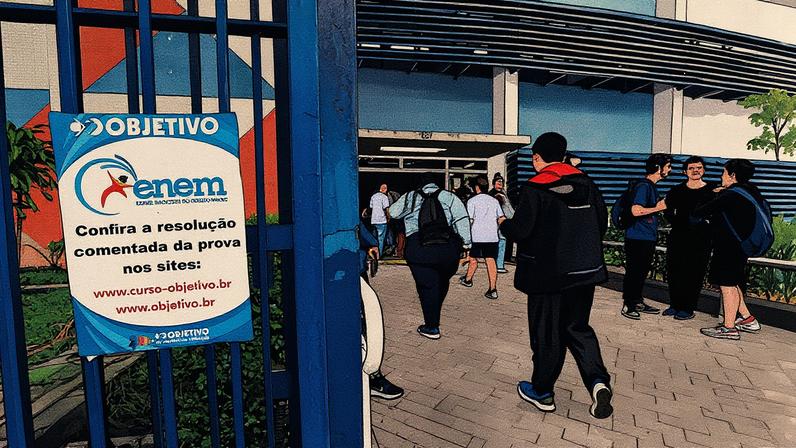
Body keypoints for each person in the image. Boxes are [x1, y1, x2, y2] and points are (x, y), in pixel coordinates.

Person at [500, 132, 613, 419]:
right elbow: (602, 223)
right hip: (583, 272)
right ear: (563, 156)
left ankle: (542, 391)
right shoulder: (588, 184)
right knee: (578, 328)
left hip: (546, 275)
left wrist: (504, 224)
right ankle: (598, 382)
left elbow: (522, 230)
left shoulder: (535, 187)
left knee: (547, 333)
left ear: (536, 157)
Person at [388, 173, 472, 340]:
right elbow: (462, 220)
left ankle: (432, 326)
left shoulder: (411, 196)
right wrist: (467, 245)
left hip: (419, 248)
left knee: (427, 286)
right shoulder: (449, 197)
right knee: (441, 282)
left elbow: (393, 212)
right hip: (447, 248)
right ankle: (434, 312)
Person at [693, 159, 769, 340]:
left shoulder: (730, 195)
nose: (721, 177)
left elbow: (698, 212)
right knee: (733, 283)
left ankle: (729, 328)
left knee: (727, 286)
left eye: (723, 173)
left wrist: (712, 194)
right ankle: (748, 319)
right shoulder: (752, 192)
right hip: (743, 246)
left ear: (732, 175)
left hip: (728, 246)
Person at [662, 156, 715, 320]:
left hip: (701, 239)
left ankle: (688, 308)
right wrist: (681, 221)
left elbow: (717, 214)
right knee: (675, 271)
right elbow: (668, 212)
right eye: (691, 168)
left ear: (704, 170)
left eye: (699, 167)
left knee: (694, 273)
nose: (696, 170)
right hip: (678, 236)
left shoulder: (712, 191)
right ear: (685, 172)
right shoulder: (676, 191)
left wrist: (705, 224)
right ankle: (674, 305)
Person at [620, 154, 671, 320]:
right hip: (637, 237)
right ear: (658, 168)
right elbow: (636, 210)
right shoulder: (644, 187)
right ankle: (629, 304)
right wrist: (659, 207)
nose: (670, 170)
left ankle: (637, 300)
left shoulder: (650, 186)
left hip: (645, 237)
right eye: (668, 166)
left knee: (640, 271)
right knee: (635, 271)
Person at [358, 222, 405, 400]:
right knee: (367, 324)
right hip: (351, 267)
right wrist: (371, 242)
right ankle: (372, 376)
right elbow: (354, 223)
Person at [461, 176, 505, 299]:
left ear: (476, 187)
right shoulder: (494, 201)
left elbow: (470, 220)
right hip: (491, 236)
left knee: (473, 258)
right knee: (491, 261)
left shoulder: (472, 201)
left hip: (476, 235)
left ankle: (468, 280)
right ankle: (493, 289)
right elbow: (501, 217)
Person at [489, 173, 514, 274]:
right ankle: (499, 265)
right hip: (499, 222)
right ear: (494, 183)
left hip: (496, 222)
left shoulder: (498, 194)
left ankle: (495, 263)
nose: (500, 184)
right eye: (498, 182)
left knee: (498, 243)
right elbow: (506, 209)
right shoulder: (498, 195)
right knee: (501, 243)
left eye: (502, 182)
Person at [368, 184, 391, 255]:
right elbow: (386, 208)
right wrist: (389, 217)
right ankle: (379, 255)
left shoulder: (373, 196)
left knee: (374, 239)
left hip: (374, 220)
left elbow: (371, 207)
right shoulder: (384, 197)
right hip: (382, 220)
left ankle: (373, 254)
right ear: (383, 189)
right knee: (381, 239)